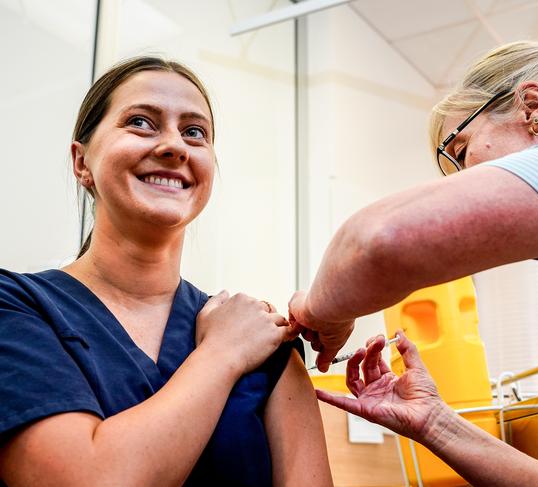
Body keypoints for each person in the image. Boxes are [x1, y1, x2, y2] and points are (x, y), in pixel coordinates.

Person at [289, 40, 538, 486]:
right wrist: (434, 422)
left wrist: (314, 312)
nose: (465, 181)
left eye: (460, 151)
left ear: (532, 108)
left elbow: (378, 241)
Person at [0, 56, 333, 487]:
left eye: (194, 132)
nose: (175, 146)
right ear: (82, 162)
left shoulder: (264, 340)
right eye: (141, 122)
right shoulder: (19, 308)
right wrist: (222, 353)